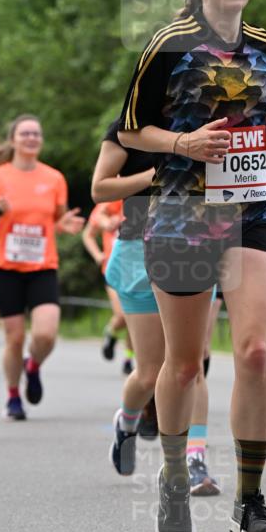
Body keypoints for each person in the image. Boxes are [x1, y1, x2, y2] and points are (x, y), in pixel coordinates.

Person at [118, 0, 266, 532]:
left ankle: (250, 501)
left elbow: (251, 113)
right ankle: (173, 476)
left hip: (252, 208)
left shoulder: (265, 45)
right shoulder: (168, 46)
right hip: (180, 215)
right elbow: (131, 132)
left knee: (253, 351)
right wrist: (182, 143)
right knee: (183, 363)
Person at [93, 121, 220, 494]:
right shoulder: (127, 128)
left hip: (194, 247)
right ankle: (127, 422)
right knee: (149, 372)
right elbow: (99, 188)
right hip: (137, 250)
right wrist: (152, 175)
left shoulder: (204, 119)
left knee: (191, 364)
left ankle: (195, 460)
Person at [0, 115, 84, 420]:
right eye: (25, 134)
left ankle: (33, 365)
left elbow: (57, 219)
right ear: (13, 140)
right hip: (4, 266)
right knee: (14, 337)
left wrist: (66, 224)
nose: (31, 138)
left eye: (36, 134)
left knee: (46, 334)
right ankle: (13, 396)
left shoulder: (53, 178)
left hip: (41, 265)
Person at [83, 200, 135, 373]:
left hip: (138, 271)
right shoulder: (111, 202)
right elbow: (88, 234)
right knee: (123, 316)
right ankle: (111, 332)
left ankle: (129, 358)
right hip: (114, 271)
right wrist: (98, 255)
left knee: (136, 317)